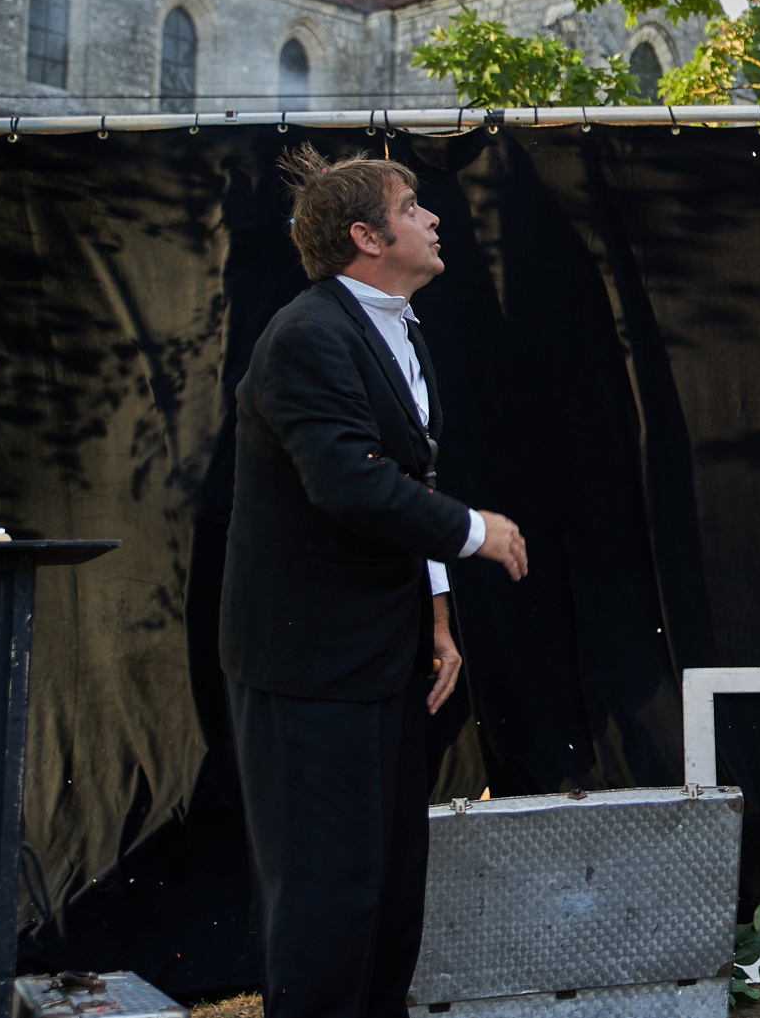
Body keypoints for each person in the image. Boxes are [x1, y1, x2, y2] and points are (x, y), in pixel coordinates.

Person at [219, 145, 528, 1018]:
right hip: (308, 662)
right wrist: (478, 530)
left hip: (381, 651)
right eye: (412, 206)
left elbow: (407, 480)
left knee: (389, 889)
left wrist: (437, 614)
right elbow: (349, 484)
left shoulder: (398, 329)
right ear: (367, 236)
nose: (433, 218)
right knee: (328, 892)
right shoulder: (308, 335)